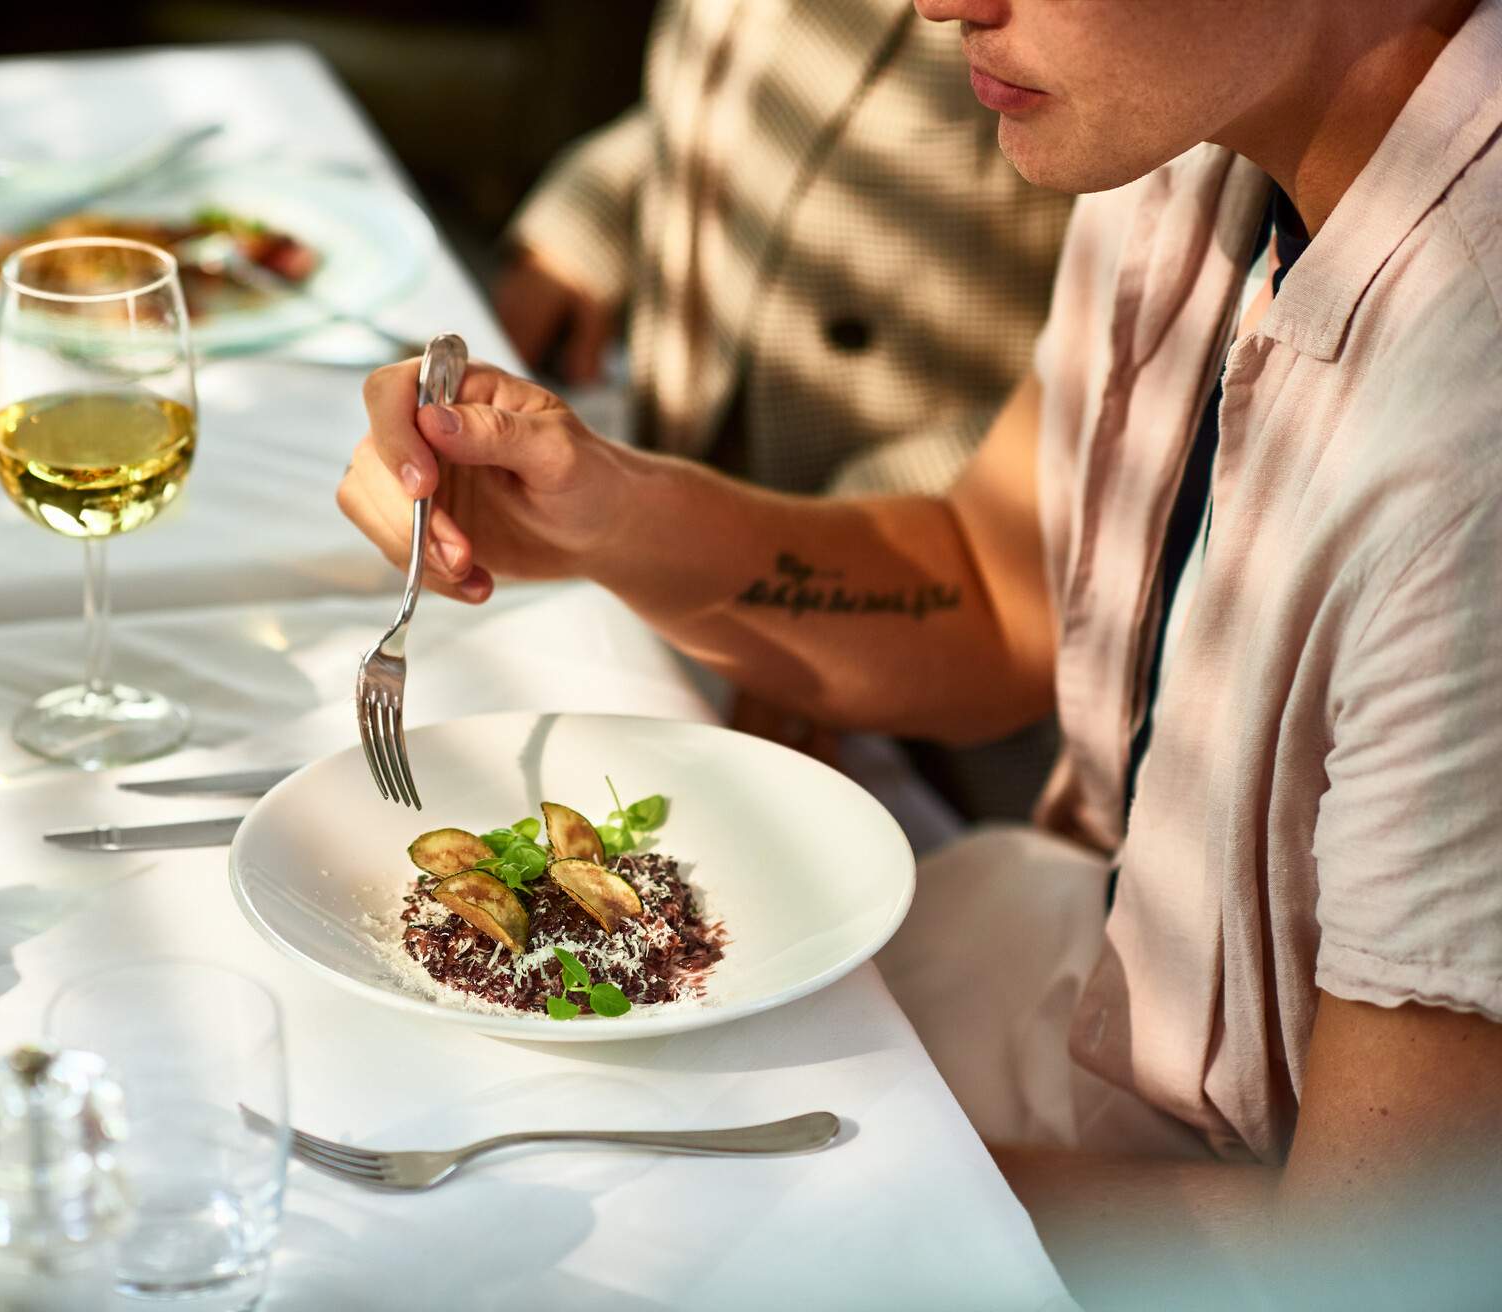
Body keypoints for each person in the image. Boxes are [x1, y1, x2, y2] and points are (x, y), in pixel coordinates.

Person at [339, 0, 1502, 1303]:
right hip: (1070, 1003)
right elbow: (998, 589)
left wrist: (722, 1188)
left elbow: (1376, 1268)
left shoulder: (1473, 454)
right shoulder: (1201, 130)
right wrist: (607, 511)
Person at [494, 0, 1071, 499]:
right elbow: (740, 94)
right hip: (680, 444)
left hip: (893, 531)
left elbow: (1115, 347)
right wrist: (582, 225)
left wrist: (880, 528)